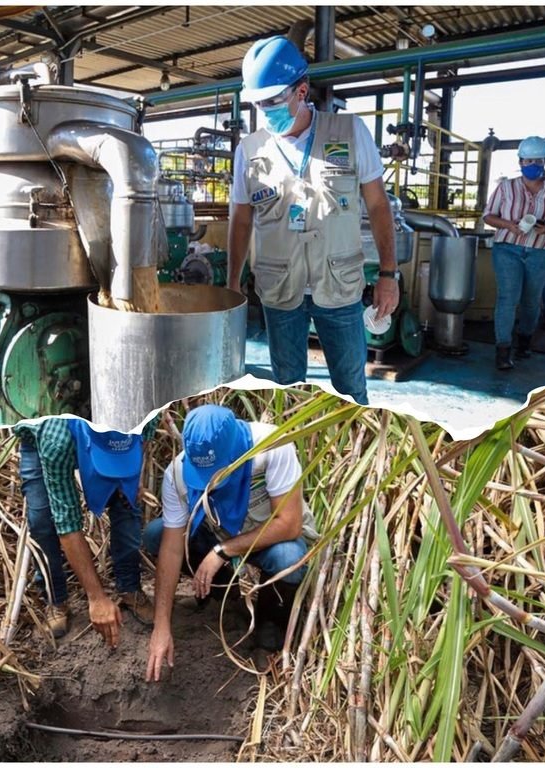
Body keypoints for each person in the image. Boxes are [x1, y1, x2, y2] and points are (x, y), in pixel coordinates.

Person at [228, 35, 399, 405]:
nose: (264, 111)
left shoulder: (351, 133)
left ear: (301, 90)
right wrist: (231, 282)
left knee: (351, 391)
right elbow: (241, 221)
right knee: (287, 388)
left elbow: (379, 206)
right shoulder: (249, 149)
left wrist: (388, 275)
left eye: (272, 101)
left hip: (338, 286)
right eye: (257, 104)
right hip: (279, 288)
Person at [144, 404, 317, 681]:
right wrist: (161, 625)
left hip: (270, 538)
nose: (211, 481)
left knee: (289, 557)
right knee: (155, 534)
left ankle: (268, 633)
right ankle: (225, 596)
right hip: (220, 533)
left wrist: (223, 551)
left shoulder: (272, 445)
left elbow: (289, 524)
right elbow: (172, 548)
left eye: (217, 471)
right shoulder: (176, 474)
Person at [14, 416, 156, 647]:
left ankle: (130, 589)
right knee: (41, 519)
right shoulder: (55, 440)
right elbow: (66, 521)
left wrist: (133, 475)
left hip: (113, 444)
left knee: (128, 502)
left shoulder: (145, 407)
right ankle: (56, 599)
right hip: (42, 439)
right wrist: (96, 598)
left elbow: (145, 436)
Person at [483, 135, 545, 370]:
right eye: (527, 161)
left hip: (542, 251)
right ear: (520, 161)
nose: (532, 165)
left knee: (531, 301)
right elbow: (489, 216)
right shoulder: (506, 187)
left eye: (537, 160)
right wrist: (509, 225)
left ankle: (524, 341)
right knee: (507, 298)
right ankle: (503, 350)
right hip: (507, 249)